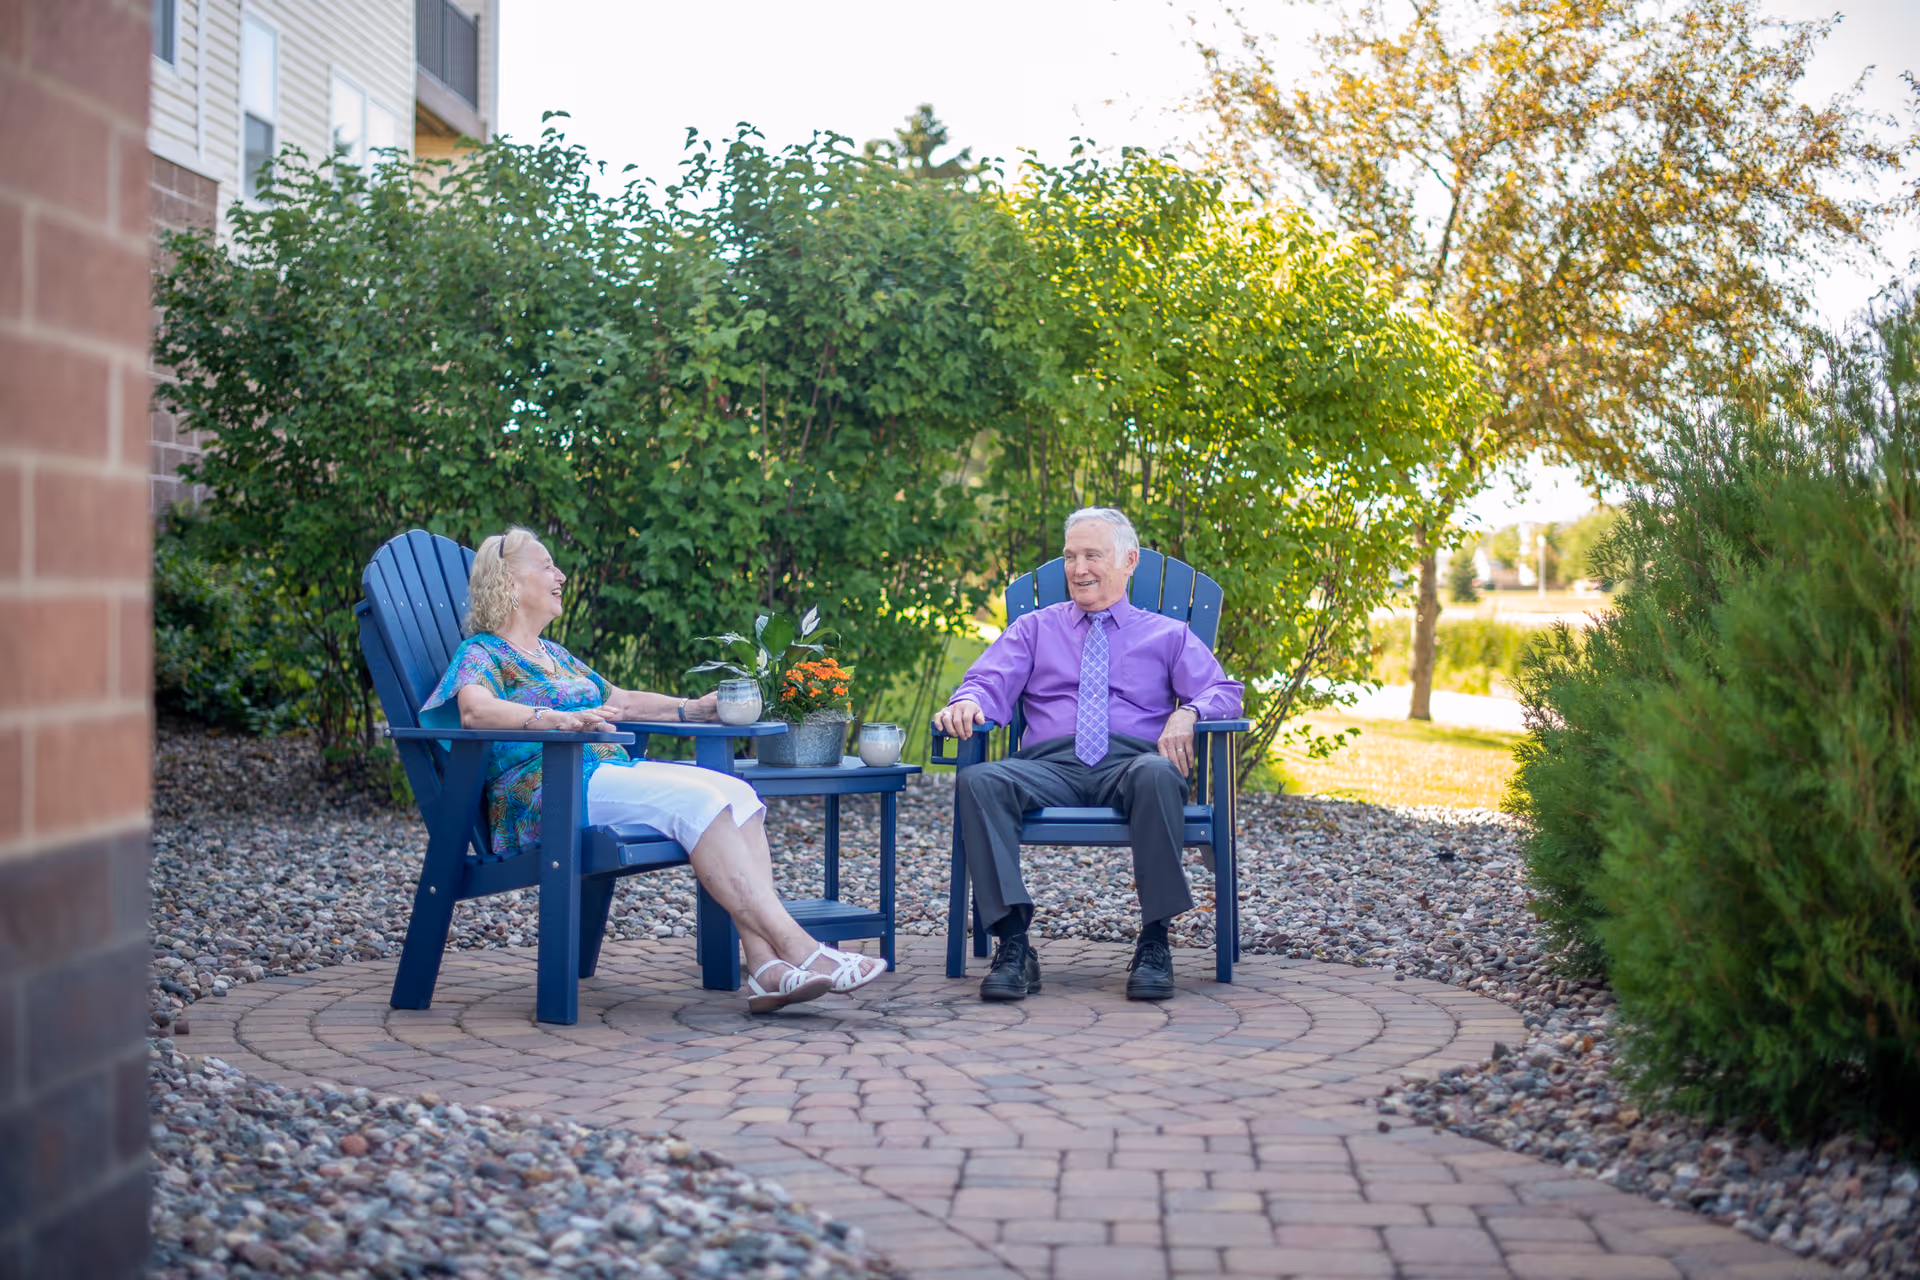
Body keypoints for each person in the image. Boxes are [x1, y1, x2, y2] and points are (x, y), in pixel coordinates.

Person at [422, 526, 887, 1014]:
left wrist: (692, 709)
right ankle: (801, 949)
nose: (559, 575)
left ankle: (766, 967)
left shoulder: (554, 655)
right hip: (546, 792)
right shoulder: (481, 652)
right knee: (700, 802)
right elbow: (474, 711)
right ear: (511, 584)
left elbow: (620, 701)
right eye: (546, 565)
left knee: (737, 795)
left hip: (600, 775)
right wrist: (548, 719)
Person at [933, 508, 1244, 1002]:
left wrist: (1190, 713)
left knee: (1158, 774)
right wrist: (969, 702)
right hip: (1048, 766)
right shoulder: (1035, 629)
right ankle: (1013, 943)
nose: (1079, 569)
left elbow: (1226, 692)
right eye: (1070, 557)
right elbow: (988, 680)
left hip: (1132, 764)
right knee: (980, 780)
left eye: (1092, 556)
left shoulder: (1167, 635)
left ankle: (1155, 941)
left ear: (1128, 561)